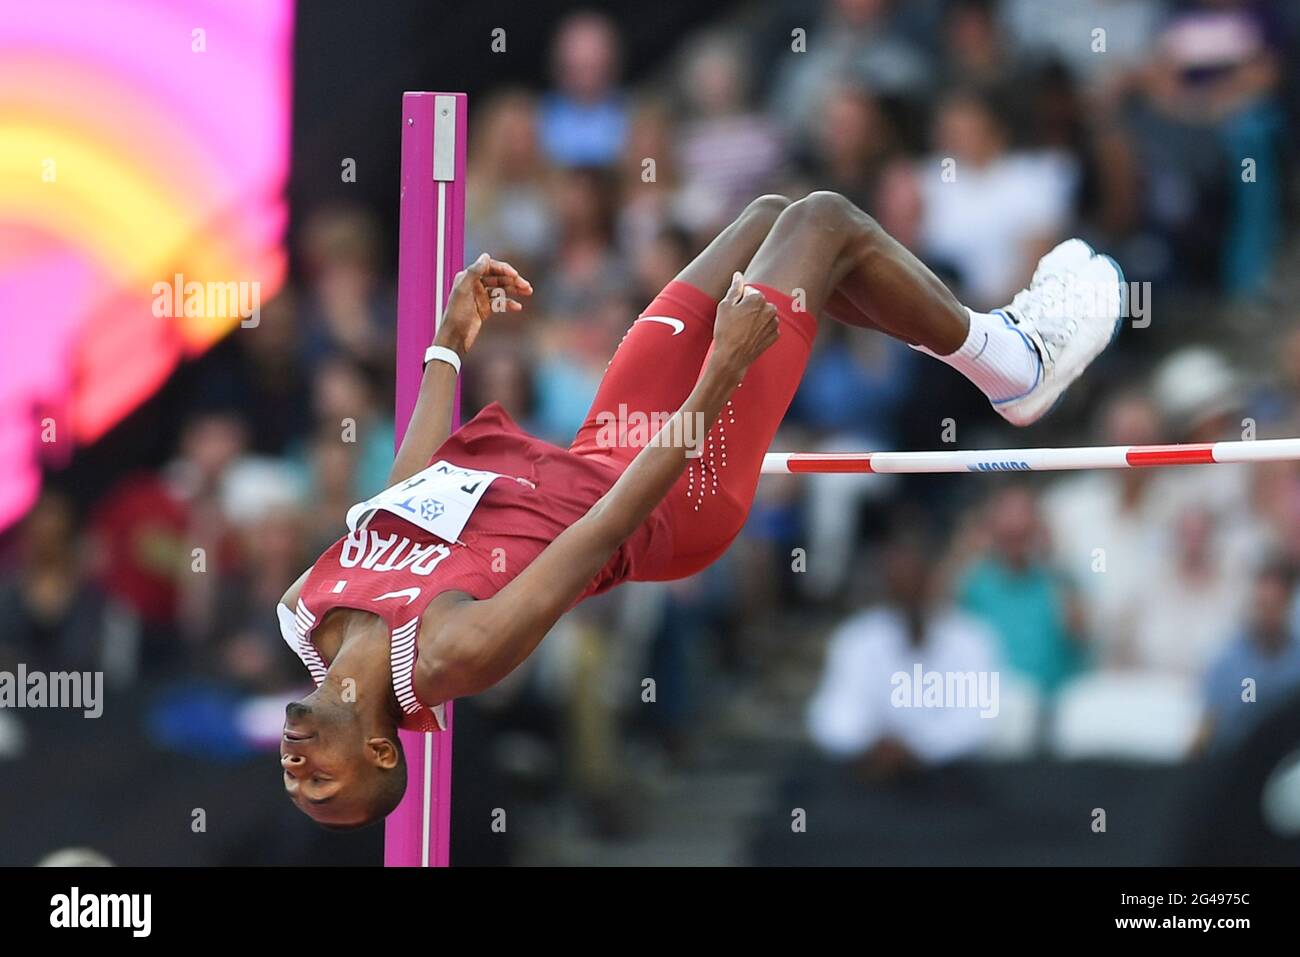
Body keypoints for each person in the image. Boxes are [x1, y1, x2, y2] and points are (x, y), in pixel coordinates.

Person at [276, 190, 1124, 828]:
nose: (295, 765)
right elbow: (605, 527)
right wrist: (720, 374)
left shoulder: (304, 613)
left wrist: (447, 345)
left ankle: (998, 358)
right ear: (383, 750)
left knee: (766, 217)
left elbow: (405, 492)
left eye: (294, 776)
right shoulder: (453, 654)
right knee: (822, 221)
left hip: (602, 440)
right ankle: (1013, 359)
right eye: (320, 779)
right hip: (674, 491)